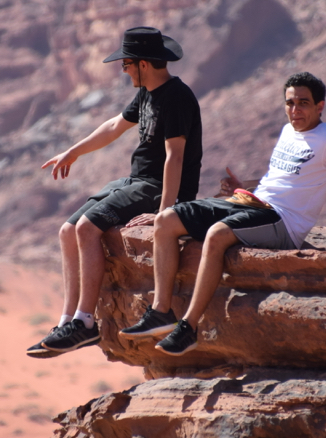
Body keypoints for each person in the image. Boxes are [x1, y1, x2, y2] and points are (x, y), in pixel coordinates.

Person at [120, 71, 326, 355]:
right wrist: (243, 186)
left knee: (217, 235)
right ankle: (160, 312)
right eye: (290, 103)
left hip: (283, 220)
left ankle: (188, 328)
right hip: (251, 202)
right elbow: (279, 179)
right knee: (166, 219)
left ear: (320, 106)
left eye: (303, 103)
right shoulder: (288, 131)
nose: (295, 109)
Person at [27, 26, 202, 357]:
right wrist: (73, 152)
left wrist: (165, 211)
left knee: (86, 228)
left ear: (143, 64)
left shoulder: (177, 97)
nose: (123, 70)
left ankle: (85, 323)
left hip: (156, 186)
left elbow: (175, 157)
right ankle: (67, 321)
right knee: (67, 231)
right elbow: (113, 126)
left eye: (126, 64)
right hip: (135, 180)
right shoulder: (148, 92)